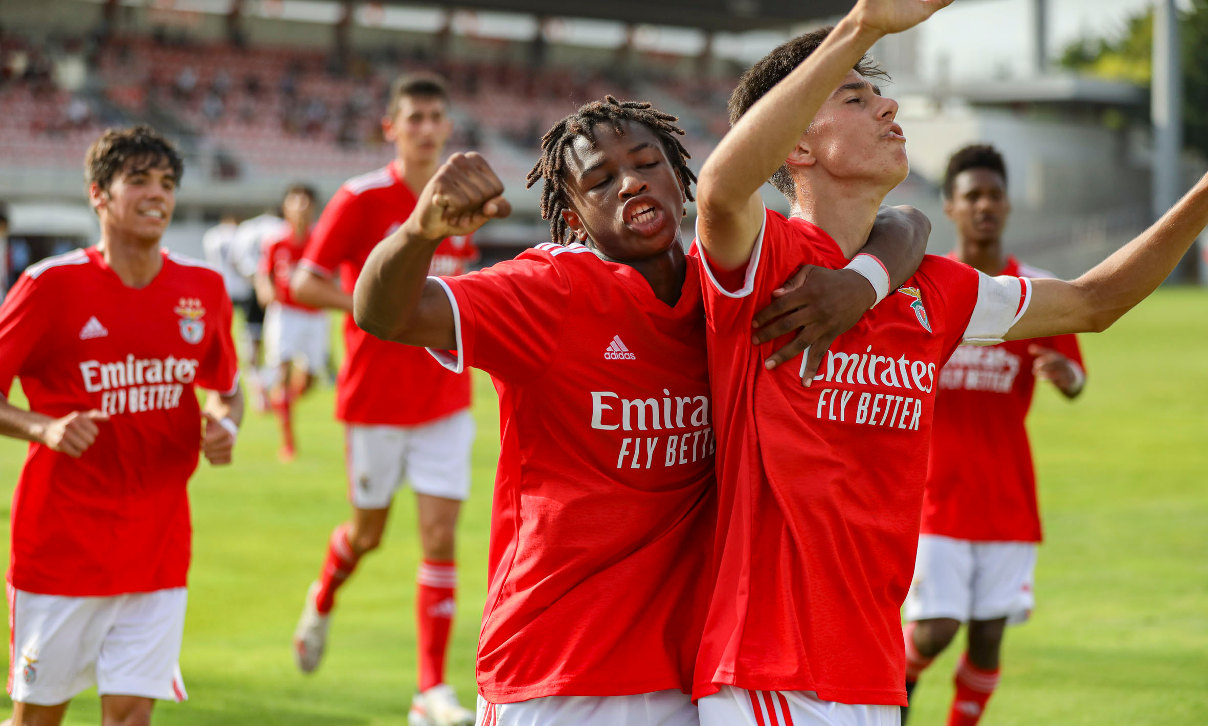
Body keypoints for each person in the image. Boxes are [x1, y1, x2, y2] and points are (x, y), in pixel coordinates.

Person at [689, 1, 1208, 724]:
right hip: (769, 671)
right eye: (855, 95)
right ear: (796, 147)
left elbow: (1096, 301)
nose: (889, 104)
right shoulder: (762, 260)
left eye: (878, 90)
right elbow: (718, 189)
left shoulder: (939, 288)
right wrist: (862, 25)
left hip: (870, 671)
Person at [349, 95, 926, 726]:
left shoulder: (731, 294)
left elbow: (907, 224)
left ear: (681, 178)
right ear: (571, 214)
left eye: (647, 163)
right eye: (599, 180)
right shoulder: (552, 292)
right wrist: (419, 232)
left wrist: (863, 282)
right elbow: (385, 314)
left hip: (682, 679)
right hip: (554, 671)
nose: (629, 182)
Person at [0, 125, 242, 726]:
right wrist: (43, 428)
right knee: (37, 720)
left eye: (166, 183)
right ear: (99, 195)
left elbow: (227, 394)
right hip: (61, 551)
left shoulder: (203, 289)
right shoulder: (49, 287)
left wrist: (225, 426)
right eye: (138, 180)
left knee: (132, 717)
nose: (156, 194)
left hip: (158, 550)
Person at [288, 73, 481, 726]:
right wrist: (379, 307)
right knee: (367, 533)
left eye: (437, 116)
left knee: (439, 536)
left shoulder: (465, 200)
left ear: (448, 127)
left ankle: (429, 690)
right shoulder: (360, 197)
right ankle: (322, 596)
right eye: (415, 117)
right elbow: (305, 282)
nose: (427, 128)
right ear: (391, 128)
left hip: (445, 397)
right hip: (373, 400)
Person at [900, 144, 1086, 725]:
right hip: (934, 497)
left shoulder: (1037, 290)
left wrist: (1067, 375)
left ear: (1007, 206)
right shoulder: (926, 288)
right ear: (950, 207)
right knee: (933, 631)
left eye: (994, 195)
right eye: (971, 195)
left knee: (986, 641)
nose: (984, 205)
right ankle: (891, 705)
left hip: (1007, 498)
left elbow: (1077, 375)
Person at [255, 183, 328, 462]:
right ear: (285, 206)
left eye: (305, 201)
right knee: (283, 372)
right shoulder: (275, 241)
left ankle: (278, 400)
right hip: (284, 313)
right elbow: (265, 272)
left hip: (314, 314)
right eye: (294, 201)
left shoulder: (320, 239)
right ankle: (288, 443)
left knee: (308, 380)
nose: (300, 207)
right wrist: (265, 290)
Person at [231, 207, 285, 412]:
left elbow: (237, 259)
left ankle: (257, 385)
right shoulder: (281, 228)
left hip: (250, 288)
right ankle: (267, 386)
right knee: (275, 344)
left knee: (253, 340)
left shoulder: (246, 228)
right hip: (274, 289)